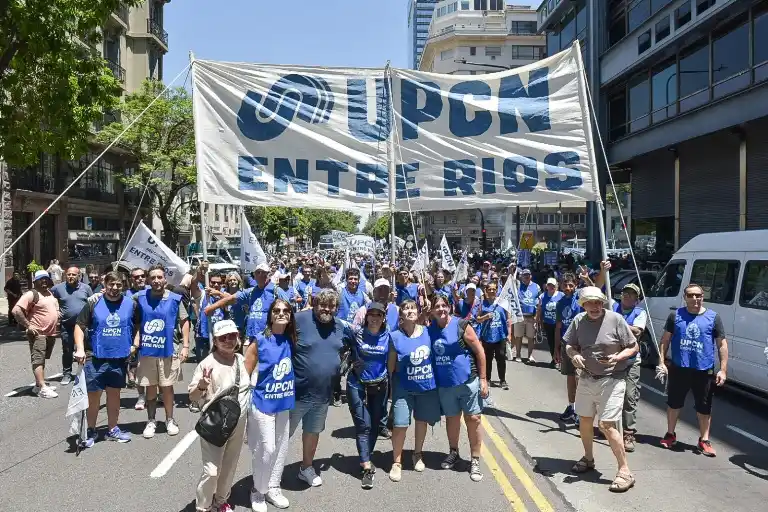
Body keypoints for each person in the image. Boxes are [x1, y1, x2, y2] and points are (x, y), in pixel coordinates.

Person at [565, 286, 638, 493]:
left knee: (606, 425)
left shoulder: (615, 319)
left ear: (603, 303)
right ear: (584, 305)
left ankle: (625, 471)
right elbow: (570, 344)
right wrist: (574, 355)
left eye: (598, 302)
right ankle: (588, 459)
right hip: (587, 377)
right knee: (585, 420)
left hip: (613, 378)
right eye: (590, 302)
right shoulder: (579, 320)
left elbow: (633, 346)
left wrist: (619, 357)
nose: (595, 306)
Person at [290, 289, 353, 487]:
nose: (326, 309)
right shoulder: (298, 319)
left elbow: (361, 337)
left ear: (336, 308)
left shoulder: (341, 327)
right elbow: (272, 336)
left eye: (331, 306)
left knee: (312, 432)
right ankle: (270, 477)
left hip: (322, 394)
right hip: (294, 393)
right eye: (322, 304)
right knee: (280, 437)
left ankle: (306, 468)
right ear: (314, 303)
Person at [658, 283, 728, 457]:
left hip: (703, 370)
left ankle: (704, 440)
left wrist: (723, 370)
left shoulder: (713, 317)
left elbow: (722, 345)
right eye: (691, 295)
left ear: (703, 297)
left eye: (698, 295)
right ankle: (670, 434)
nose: (695, 299)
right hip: (679, 368)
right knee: (674, 404)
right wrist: (661, 361)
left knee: (704, 408)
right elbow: (665, 340)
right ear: (685, 297)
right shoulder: (675, 316)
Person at [189, 320, 250, 512]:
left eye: (232, 336)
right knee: (211, 471)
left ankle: (221, 500)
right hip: (215, 424)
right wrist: (202, 385)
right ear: (215, 341)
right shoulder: (207, 364)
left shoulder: (241, 360)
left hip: (238, 423)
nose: (228, 340)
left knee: (230, 465)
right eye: (223, 337)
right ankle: (203, 507)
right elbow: (193, 397)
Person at [429, 294, 488, 482]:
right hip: (445, 385)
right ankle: (453, 452)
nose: (441, 309)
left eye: (444, 305)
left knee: (473, 419)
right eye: (436, 306)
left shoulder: (462, 325)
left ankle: (475, 459)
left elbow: (480, 351)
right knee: (452, 420)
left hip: (467, 381)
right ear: (431, 311)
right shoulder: (429, 330)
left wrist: (484, 379)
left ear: (450, 307)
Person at [73, 271, 134, 446]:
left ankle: (112, 429)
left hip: (118, 358)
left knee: (114, 395)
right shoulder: (93, 303)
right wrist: (80, 348)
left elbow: (137, 324)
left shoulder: (130, 304)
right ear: (104, 284)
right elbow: (79, 325)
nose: (114, 288)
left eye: (118, 285)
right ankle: (91, 430)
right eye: (111, 284)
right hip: (95, 358)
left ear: (123, 286)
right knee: (94, 397)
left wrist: (134, 344)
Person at [246, 299, 296, 511]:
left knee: (281, 447)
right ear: (270, 315)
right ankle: (258, 490)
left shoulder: (291, 339)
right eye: (277, 310)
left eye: (286, 310)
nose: (281, 313)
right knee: (267, 448)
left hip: (284, 401)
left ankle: (273, 486)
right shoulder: (259, 340)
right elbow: (245, 371)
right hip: (263, 402)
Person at [133, 264, 190, 438]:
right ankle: (151, 421)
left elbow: (184, 321)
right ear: (148, 280)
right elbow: (123, 306)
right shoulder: (139, 297)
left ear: (165, 279)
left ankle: (169, 420)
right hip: (147, 351)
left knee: (166, 388)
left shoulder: (174, 299)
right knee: (150, 388)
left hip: (168, 350)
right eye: (153, 278)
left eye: (160, 277)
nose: (156, 280)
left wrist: (185, 345)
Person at [387, 300, 440, 482]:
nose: (410, 311)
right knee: (400, 424)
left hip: (426, 387)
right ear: (400, 315)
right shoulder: (394, 336)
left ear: (418, 312)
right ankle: (397, 461)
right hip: (403, 388)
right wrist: (390, 392)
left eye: (413, 308)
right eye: (406, 309)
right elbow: (391, 367)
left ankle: (417, 454)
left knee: (421, 421)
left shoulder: (427, 332)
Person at [346, 302, 391, 489]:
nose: (374, 318)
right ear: (366, 317)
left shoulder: (389, 336)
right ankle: (366, 466)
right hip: (356, 383)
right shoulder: (355, 333)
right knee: (363, 425)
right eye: (371, 314)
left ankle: (366, 455)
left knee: (374, 425)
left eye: (378, 315)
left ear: (383, 318)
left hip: (379, 385)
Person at [12, 270, 60, 398]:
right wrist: (28, 325)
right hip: (39, 333)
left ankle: (39, 385)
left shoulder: (48, 293)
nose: (44, 281)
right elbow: (16, 310)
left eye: (46, 278)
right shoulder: (31, 294)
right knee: (38, 360)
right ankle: (43, 388)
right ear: (35, 281)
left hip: (50, 333)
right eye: (41, 279)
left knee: (42, 358)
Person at [612, 283, 647, 452]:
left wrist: (616, 321)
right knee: (609, 394)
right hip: (612, 359)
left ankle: (628, 432)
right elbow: (597, 294)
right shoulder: (613, 306)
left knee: (629, 396)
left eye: (631, 294)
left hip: (631, 361)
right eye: (625, 293)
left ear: (637, 299)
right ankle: (610, 427)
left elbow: (637, 331)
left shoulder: (640, 313)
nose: (627, 296)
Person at [206, 262, 275, 349]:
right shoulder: (250, 291)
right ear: (255, 275)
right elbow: (230, 299)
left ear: (269, 275)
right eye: (258, 273)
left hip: (268, 335)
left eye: (264, 273)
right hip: (251, 336)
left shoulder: (276, 290)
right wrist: (211, 308)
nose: (261, 275)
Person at [52, 266, 93, 386]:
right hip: (67, 325)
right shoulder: (58, 288)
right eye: (69, 274)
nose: (71, 276)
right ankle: (67, 374)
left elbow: (91, 303)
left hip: (83, 325)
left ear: (79, 276)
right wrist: (55, 308)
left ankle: (86, 373)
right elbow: (48, 297)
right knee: (67, 350)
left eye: (73, 274)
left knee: (86, 350)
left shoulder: (86, 288)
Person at [554, 272, 582, 424]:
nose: (568, 288)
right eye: (565, 285)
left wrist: (587, 278)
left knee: (579, 377)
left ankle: (580, 409)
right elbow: (558, 327)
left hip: (580, 344)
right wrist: (556, 349)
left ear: (575, 286)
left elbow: (595, 288)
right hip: (566, 343)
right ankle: (571, 406)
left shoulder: (580, 300)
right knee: (570, 377)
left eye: (571, 285)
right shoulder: (560, 303)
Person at [475, 281, 510, 390]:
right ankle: (488, 379)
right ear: (486, 290)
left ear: (497, 290)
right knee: (488, 359)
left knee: (501, 359)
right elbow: (478, 319)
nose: (491, 291)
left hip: (500, 336)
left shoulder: (503, 303)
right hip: (487, 337)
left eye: (493, 289)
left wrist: (509, 334)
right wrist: (485, 317)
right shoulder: (482, 304)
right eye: (489, 289)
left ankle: (502, 380)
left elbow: (508, 319)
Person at [514, 269, 540, 363]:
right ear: (521, 276)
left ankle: (530, 355)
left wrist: (537, 317)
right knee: (519, 336)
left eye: (528, 275)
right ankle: (518, 354)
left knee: (531, 337)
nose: (526, 276)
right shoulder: (517, 285)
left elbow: (538, 302)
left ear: (531, 276)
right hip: (519, 315)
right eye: (524, 275)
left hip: (531, 316)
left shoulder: (536, 286)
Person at [537, 277, 563, 367]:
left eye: (553, 285)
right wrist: (539, 323)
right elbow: (539, 311)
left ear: (556, 286)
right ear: (546, 286)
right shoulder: (542, 296)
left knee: (559, 343)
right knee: (551, 343)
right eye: (549, 285)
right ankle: (554, 359)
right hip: (547, 323)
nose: (551, 287)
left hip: (559, 324)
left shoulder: (561, 295)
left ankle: (560, 360)